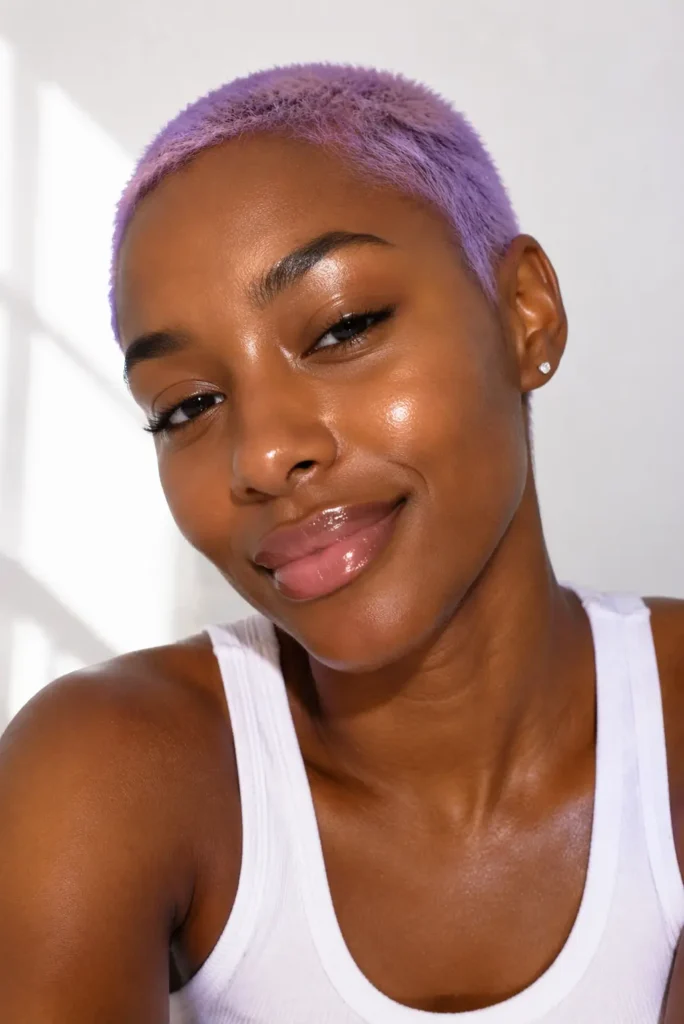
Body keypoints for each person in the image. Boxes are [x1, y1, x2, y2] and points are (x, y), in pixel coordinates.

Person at [0, 62, 682, 1024]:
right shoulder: (106, 776)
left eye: (342, 329)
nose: (266, 453)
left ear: (525, 313)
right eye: (187, 405)